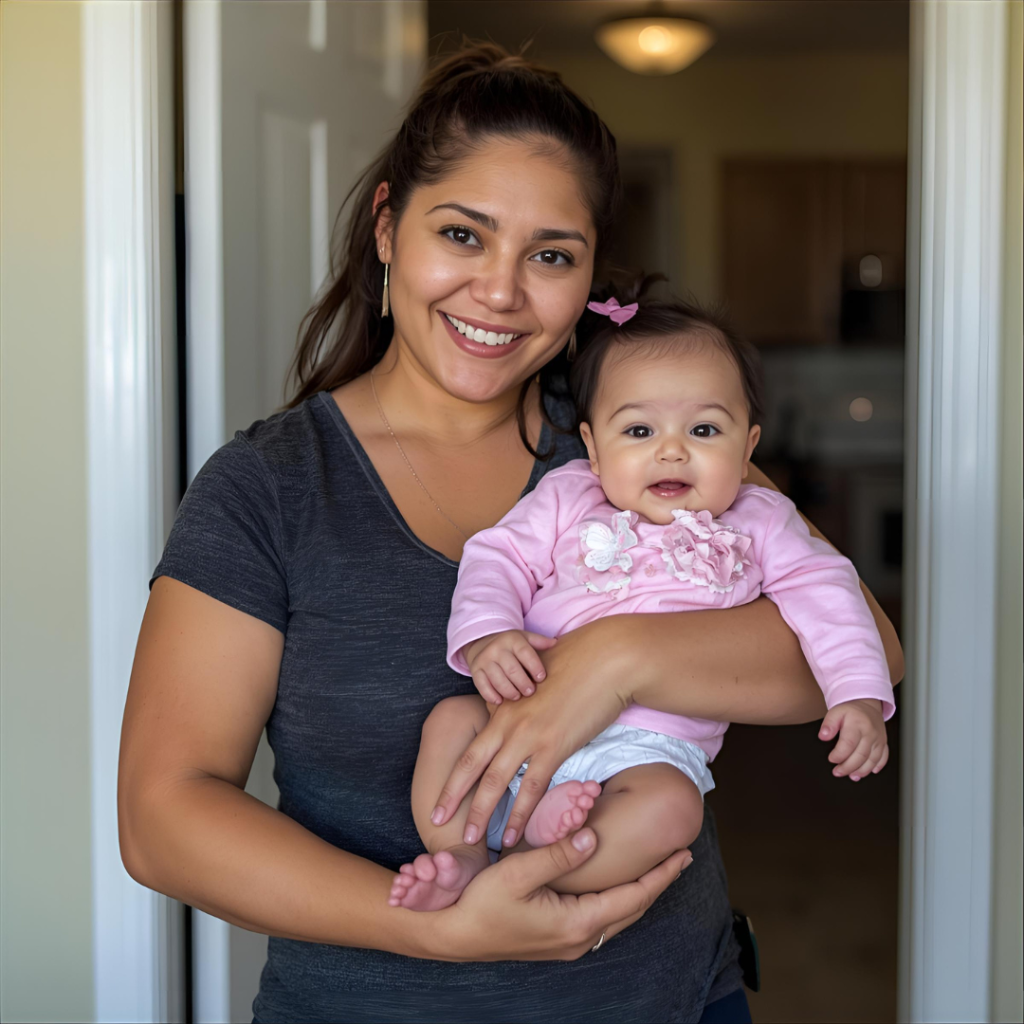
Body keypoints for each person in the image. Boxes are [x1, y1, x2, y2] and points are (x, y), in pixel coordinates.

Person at [118, 43, 904, 1024]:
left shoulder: (646, 429)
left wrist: (615, 660)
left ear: (586, 277)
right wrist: (433, 926)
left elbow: (861, 639)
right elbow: (163, 817)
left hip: (671, 999)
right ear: (388, 226)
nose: (499, 291)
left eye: (550, 254)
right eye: (462, 232)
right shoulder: (270, 488)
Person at [390, 287, 895, 914]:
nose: (672, 449)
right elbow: (499, 557)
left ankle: (521, 873)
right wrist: (490, 633)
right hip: (520, 714)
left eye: (705, 429)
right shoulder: (568, 495)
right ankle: (462, 851)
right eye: (638, 429)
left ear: (748, 448)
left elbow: (828, 591)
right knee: (449, 724)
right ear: (594, 449)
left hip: (651, 749)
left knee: (673, 810)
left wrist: (855, 693)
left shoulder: (762, 519)